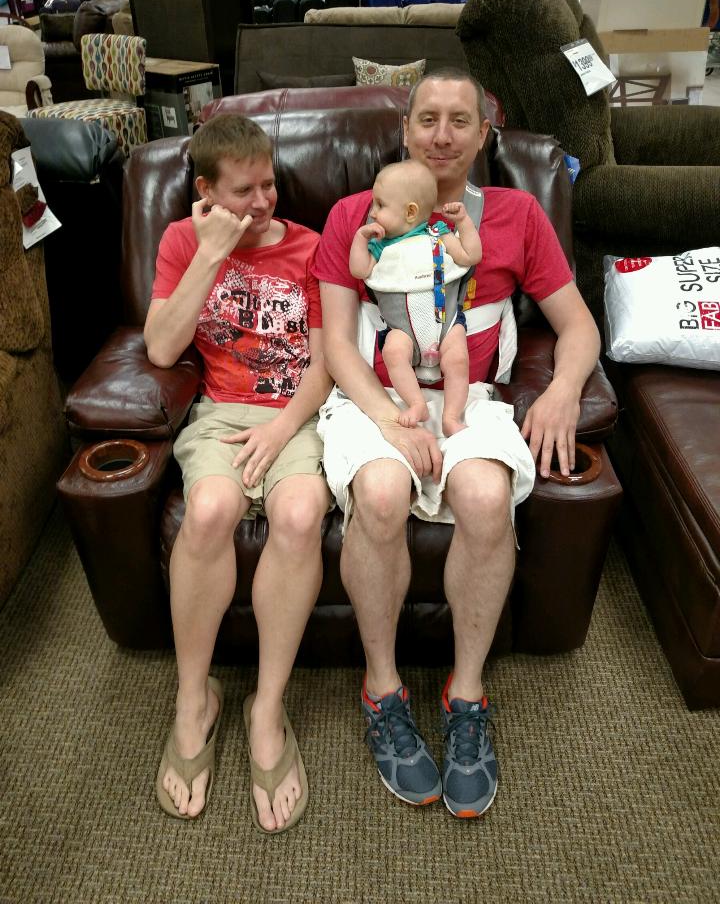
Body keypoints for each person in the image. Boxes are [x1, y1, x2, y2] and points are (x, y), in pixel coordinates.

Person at [314, 68, 600, 818]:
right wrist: (387, 419)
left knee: (484, 495)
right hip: (375, 393)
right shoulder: (355, 215)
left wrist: (564, 388)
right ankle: (382, 690)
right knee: (380, 493)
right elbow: (337, 344)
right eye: (428, 119)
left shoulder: (515, 215)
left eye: (460, 121)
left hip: (467, 396)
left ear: (483, 135)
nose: (442, 135)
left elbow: (577, 325)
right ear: (405, 130)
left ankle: (465, 695)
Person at [144, 113, 332, 833]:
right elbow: (162, 350)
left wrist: (283, 428)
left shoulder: (311, 247)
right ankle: (195, 700)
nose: (262, 201)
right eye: (243, 190)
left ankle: (266, 708)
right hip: (221, 413)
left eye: (269, 185)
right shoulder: (181, 242)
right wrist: (209, 254)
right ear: (206, 191)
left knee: (298, 515)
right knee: (211, 510)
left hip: (296, 415)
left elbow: (327, 362)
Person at [349, 159, 482, 434]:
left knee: (458, 359)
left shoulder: (440, 235)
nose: (372, 212)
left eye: (380, 205)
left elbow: (470, 255)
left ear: (410, 212)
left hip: (446, 325)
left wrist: (463, 222)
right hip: (403, 330)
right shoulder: (379, 247)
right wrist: (361, 238)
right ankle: (416, 403)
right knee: (393, 352)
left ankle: (452, 417)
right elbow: (359, 270)